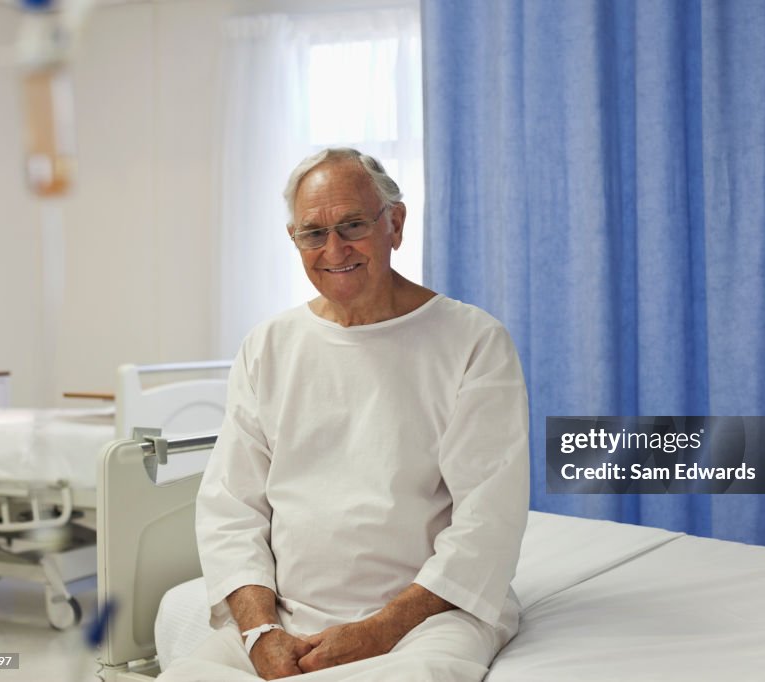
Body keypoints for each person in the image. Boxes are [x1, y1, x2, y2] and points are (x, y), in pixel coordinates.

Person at [158, 148, 529, 681]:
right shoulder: (269, 345)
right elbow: (231, 508)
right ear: (295, 242)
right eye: (313, 234)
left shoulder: (472, 341)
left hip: (429, 617)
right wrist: (262, 631)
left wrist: (378, 631)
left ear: (395, 224)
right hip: (284, 616)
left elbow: (487, 521)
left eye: (352, 225)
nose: (334, 249)